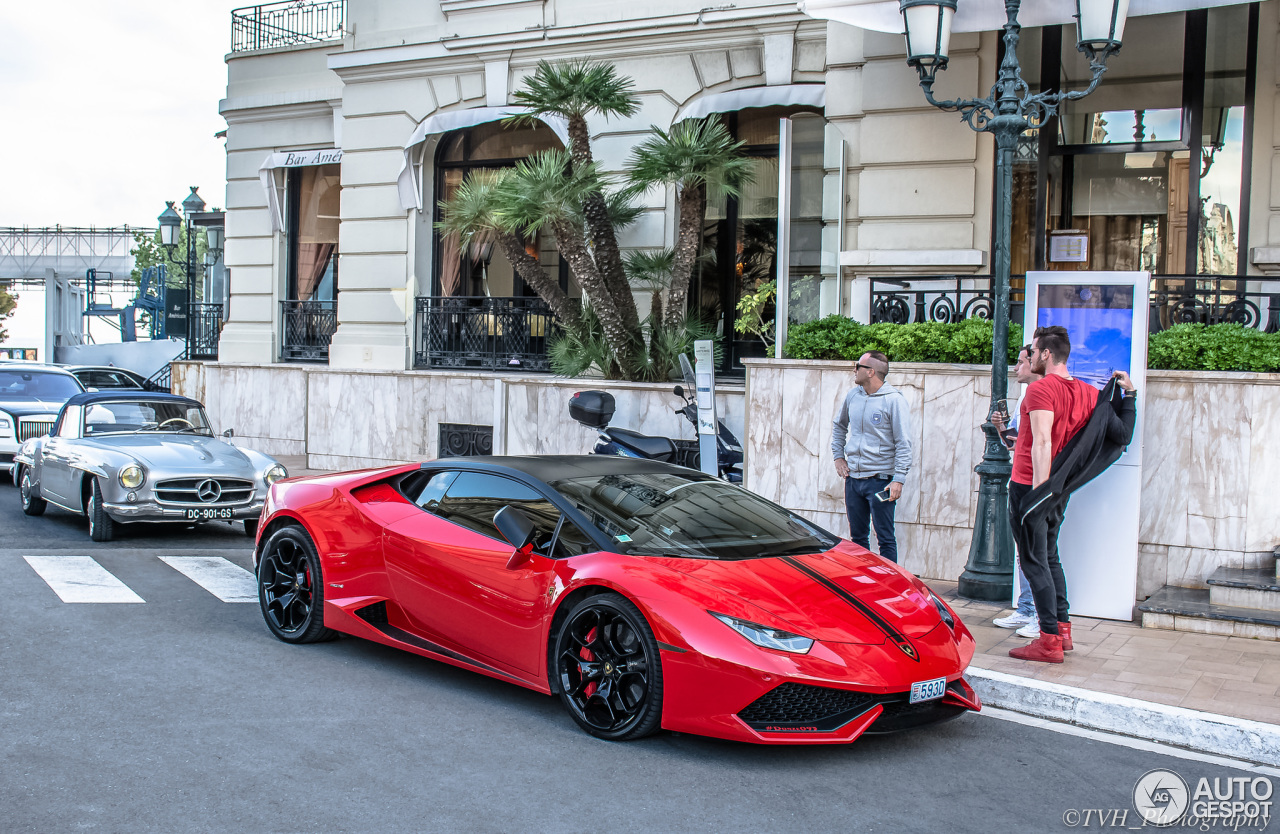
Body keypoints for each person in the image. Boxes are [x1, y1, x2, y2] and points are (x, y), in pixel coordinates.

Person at [1007, 326, 1137, 663]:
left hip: (1031, 487)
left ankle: (1048, 640)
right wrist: (1130, 396)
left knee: (1033, 561)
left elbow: (1042, 442)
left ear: (1046, 354)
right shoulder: (1090, 394)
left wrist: (1037, 497)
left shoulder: (1041, 391)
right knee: (1049, 557)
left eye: (1033, 352)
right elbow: (1122, 435)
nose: (1031, 357)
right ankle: (1062, 631)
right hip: (1059, 488)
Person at [831, 350, 912, 563]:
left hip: (880, 481)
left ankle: (892, 586)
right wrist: (838, 457)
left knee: (885, 538)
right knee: (857, 538)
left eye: (858, 366)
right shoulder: (853, 395)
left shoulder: (894, 401)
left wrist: (899, 479)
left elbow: (903, 442)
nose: (854, 369)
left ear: (871, 372)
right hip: (853, 480)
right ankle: (861, 583)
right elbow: (839, 426)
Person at [991, 344, 1043, 635]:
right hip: (1020, 479)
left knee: (1037, 551)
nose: (1016, 368)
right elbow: (1014, 442)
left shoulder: (1043, 395)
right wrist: (1001, 429)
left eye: (1021, 362)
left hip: (1036, 483)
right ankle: (1026, 609)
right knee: (1025, 551)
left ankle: (1039, 614)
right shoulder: (1025, 396)